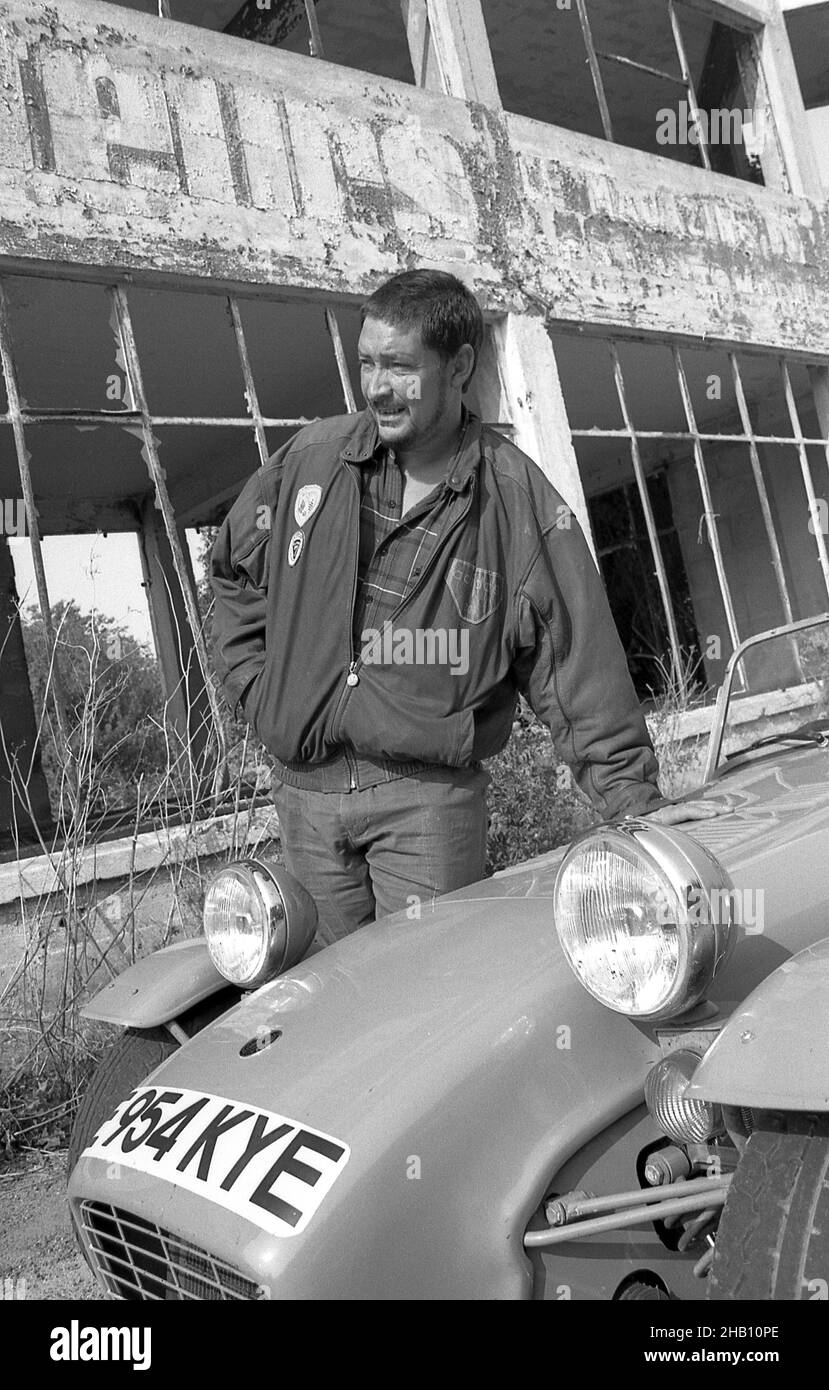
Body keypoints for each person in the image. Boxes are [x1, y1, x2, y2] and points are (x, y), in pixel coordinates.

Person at [210, 269, 721, 945]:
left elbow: (574, 659)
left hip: (426, 809)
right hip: (304, 800)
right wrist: (259, 689)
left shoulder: (514, 499)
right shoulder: (310, 461)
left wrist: (631, 799)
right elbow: (231, 572)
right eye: (366, 363)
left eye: (399, 366)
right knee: (325, 1011)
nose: (376, 388)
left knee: (429, 999)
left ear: (459, 368)